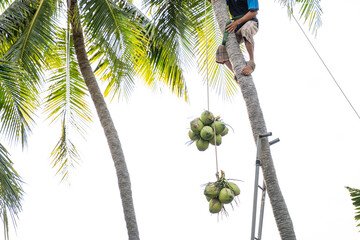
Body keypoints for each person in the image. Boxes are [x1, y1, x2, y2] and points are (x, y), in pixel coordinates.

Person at [208, 0, 259, 77]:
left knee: (245, 30)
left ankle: (251, 63)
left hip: (250, 21)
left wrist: (237, 22)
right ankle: (237, 74)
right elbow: (216, 2)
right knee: (221, 51)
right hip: (236, 27)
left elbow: (253, 12)